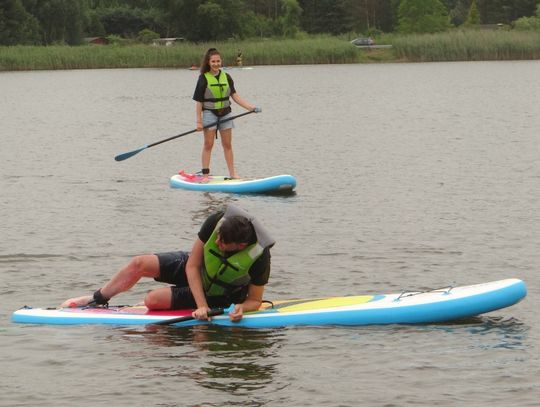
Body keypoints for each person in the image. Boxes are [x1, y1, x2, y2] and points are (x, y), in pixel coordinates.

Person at [61, 205, 274, 322]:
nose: (216, 243)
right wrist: (200, 306)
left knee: (152, 300)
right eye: (217, 238)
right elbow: (192, 265)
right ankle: (96, 299)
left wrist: (240, 309)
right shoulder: (217, 222)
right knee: (139, 263)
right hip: (197, 268)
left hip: (220, 292)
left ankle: (157, 302)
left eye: (222, 244)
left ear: (240, 245)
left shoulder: (259, 257)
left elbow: (255, 300)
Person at [193, 48, 261, 180]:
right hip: (209, 114)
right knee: (208, 144)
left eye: (218, 61)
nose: (216, 64)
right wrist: (199, 122)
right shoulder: (203, 79)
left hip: (225, 114)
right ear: (208, 62)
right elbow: (199, 102)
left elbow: (235, 96)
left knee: (228, 145)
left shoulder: (227, 77)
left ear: (221, 61)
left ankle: (233, 173)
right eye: (213, 61)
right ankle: (205, 175)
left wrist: (250, 107)